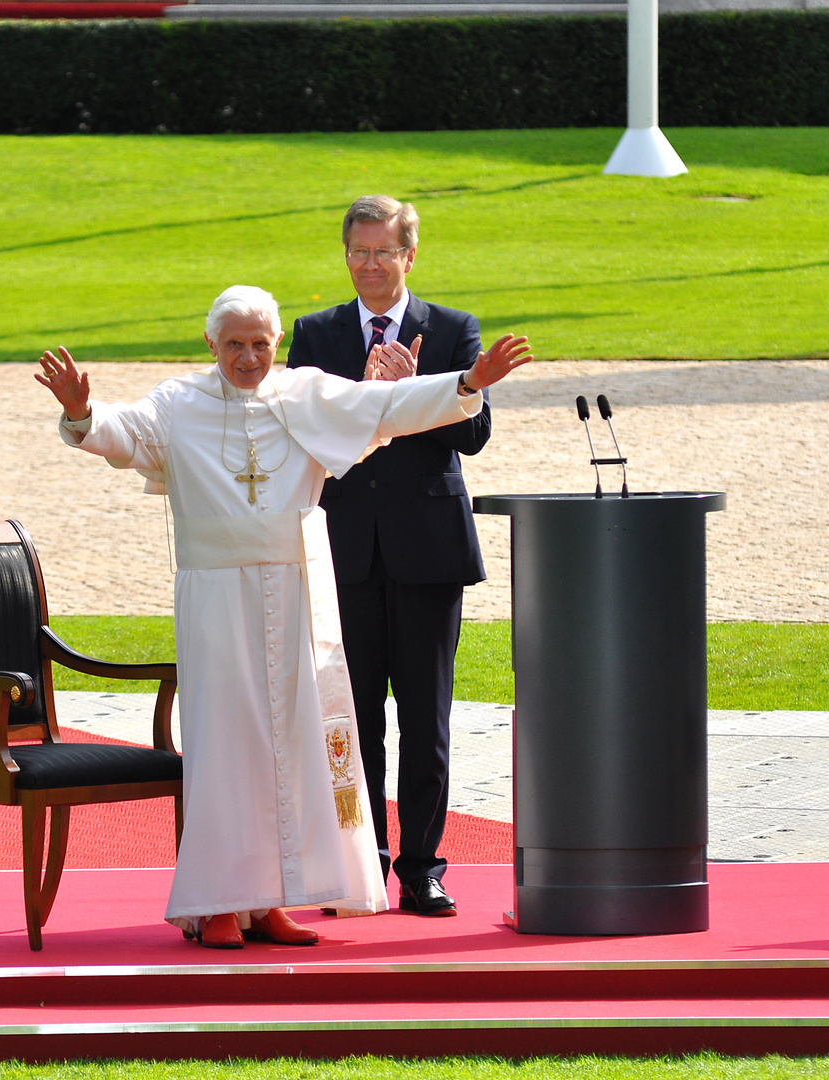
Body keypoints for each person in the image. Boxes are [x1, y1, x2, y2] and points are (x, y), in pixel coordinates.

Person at [36, 285, 530, 949]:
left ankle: (270, 901)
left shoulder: (303, 394)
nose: (248, 356)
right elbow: (123, 434)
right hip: (217, 600)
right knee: (225, 747)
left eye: (260, 343)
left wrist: (467, 381)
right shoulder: (179, 403)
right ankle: (216, 904)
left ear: (276, 344)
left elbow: (386, 405)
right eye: (234, 344)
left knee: (291, 747)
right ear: (211, 344)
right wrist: (82, 412)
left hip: (297, 591)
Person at [284, 195, 488, 918]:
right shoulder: (316, 334)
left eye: (384, 252)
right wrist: (368, 398)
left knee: (425, 721)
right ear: (346, 256)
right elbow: (301, 433)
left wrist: (414, 396)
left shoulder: (454, 330)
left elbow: (474, 435)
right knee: (355, 717)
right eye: (358, 252)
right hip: (344, 553)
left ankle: (422, 868)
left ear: (410, 256)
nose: (370, 265)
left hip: (428, 552)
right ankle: (361, 862)